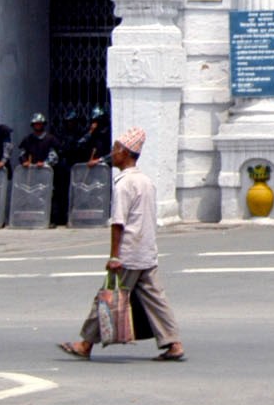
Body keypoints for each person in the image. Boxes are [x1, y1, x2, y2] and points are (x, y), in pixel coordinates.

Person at [59, 128, 185, 362]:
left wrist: (114, 256)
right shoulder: (146, 181)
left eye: (116, 149)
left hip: (129, 252)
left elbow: (118, 222)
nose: (113, 153)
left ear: (126, 153)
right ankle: (173, 342)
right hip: (147, 250)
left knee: (107, 296)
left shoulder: (124, 184)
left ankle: (85, 344)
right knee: (156, 298)